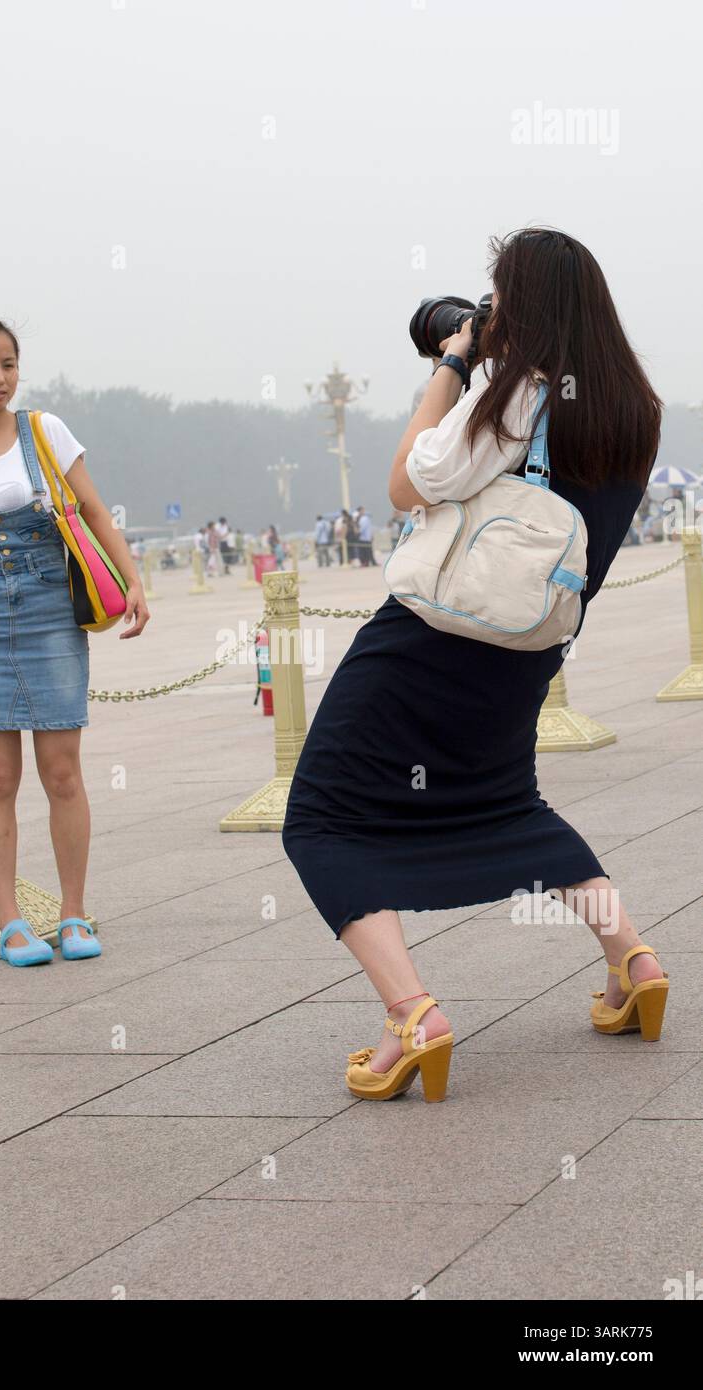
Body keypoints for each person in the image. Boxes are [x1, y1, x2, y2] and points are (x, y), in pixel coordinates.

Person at [282, 228, 667, 1102]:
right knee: (507, 801)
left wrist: (454, 365)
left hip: (427, 642)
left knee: (318, 817)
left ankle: (412, 1015)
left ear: (521, 303)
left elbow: (408, 481)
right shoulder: (634, 405)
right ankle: (633, 959)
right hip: (528, 647)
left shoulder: (517, 390)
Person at [0, 313, 150, 967]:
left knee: (63, 771)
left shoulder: (42, 431)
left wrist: (134, 581)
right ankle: (11, 922)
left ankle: (73, 914)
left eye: (8, 364)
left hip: (50, 608)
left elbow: (95, 510)